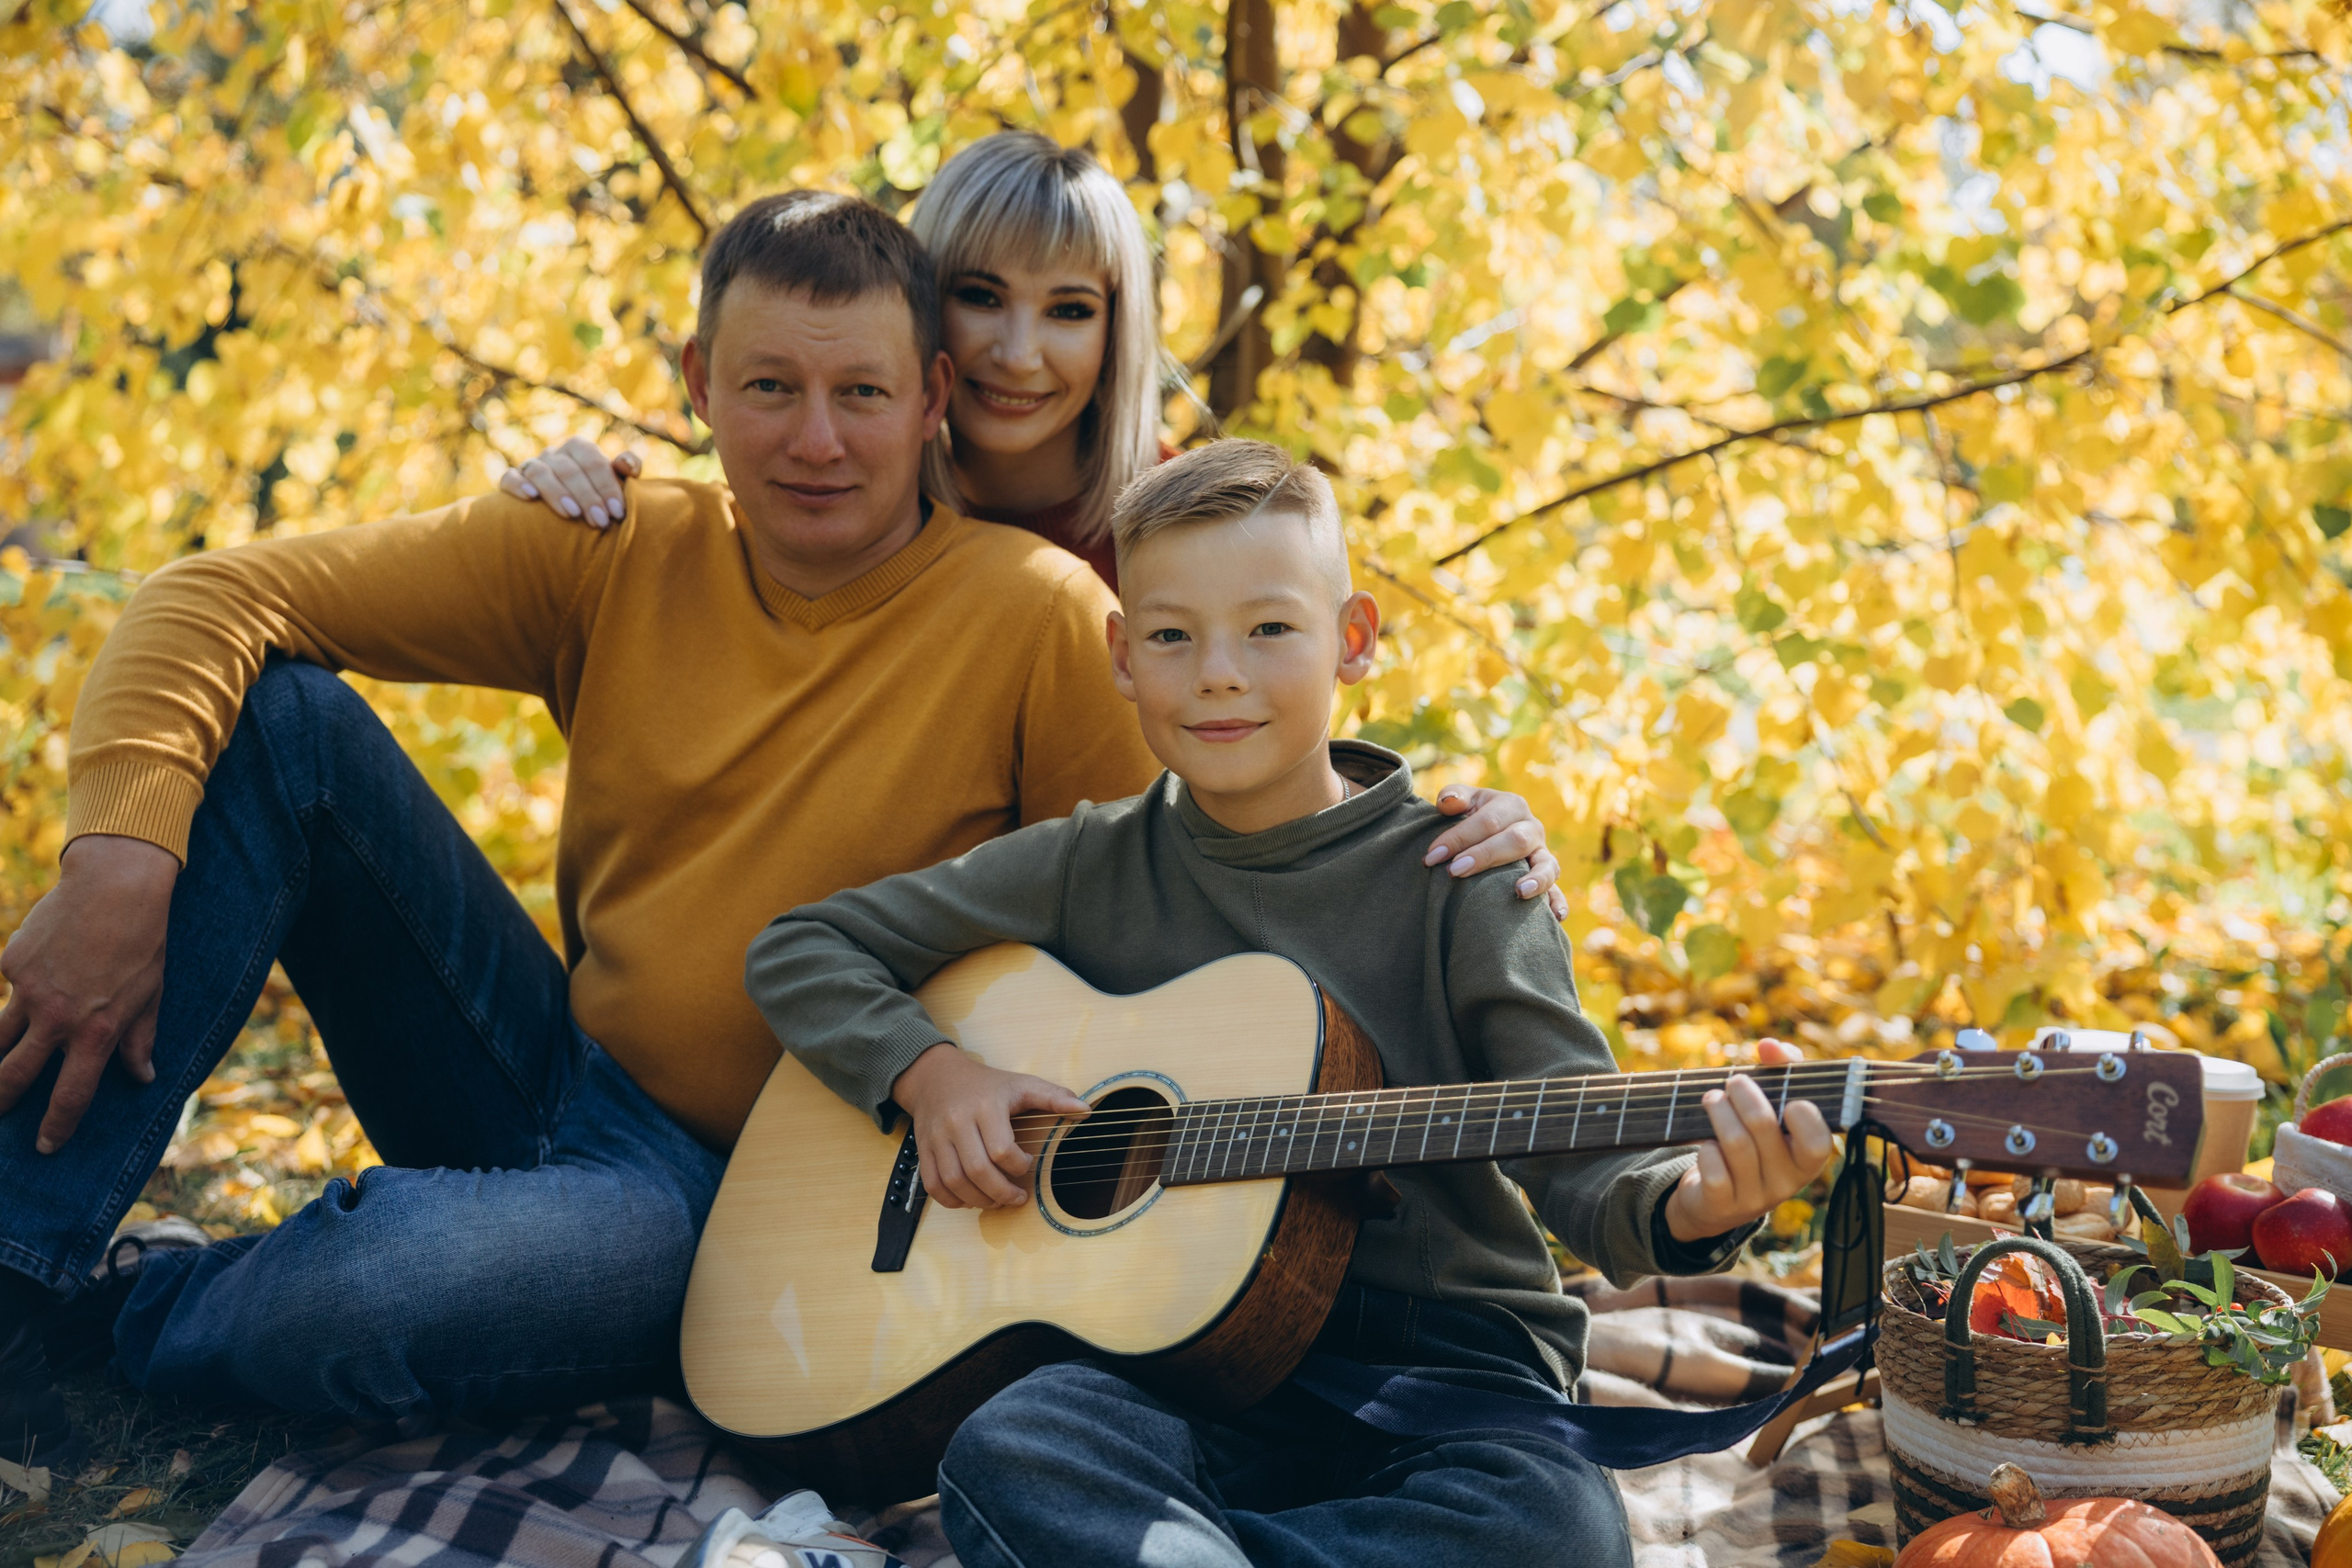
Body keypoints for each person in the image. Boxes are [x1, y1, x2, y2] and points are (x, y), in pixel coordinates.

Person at [0, 195, 1559, 1470]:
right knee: (288, 726)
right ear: (695, 383)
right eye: (769, 389)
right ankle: (18, 1271)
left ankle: (134, 1318)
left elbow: (1199, 880)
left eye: (863, 393)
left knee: (375, 1289)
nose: (816, 439)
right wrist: (116, 864)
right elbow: (216, 594)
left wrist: (1436, 830)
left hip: (760, 1196)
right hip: (541, 1053)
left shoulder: (1036, 620)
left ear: (932, 399)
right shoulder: (612, 543)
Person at [734, 440, 1837, 1567]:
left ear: (1352, 641)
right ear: (1120, 655)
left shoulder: (1467, 877)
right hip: (1182, 1369)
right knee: (1015, 1441)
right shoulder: (1089, 860)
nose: (1217, 673)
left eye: (1268, 629)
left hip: (1447, 1370)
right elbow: (802, 947)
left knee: (1556, 1530)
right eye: (1170, 635)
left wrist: (1700, 1203)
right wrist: (934, 1075)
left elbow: (1586, 1173)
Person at [504, 131, 1159, 593]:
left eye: (1069, 310)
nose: (1019, 355)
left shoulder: (1197, 525)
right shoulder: (839, 490)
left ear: (1116, 329)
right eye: (980, 297)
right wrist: (572, 485)